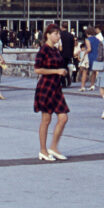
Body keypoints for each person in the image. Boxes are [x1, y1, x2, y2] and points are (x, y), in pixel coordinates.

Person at [34, 24, 69, 161]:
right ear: (48, 35)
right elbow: (37, 69)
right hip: (46, 87)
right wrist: (57, 71)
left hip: (56, 87)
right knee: (46, 119)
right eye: (55, 34)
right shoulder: (44, 50)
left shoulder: (55, 50)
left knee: (63, 117)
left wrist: (63, 70)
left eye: (59, 34)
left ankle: (53, 147)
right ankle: (43, 150)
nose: (58, 36)